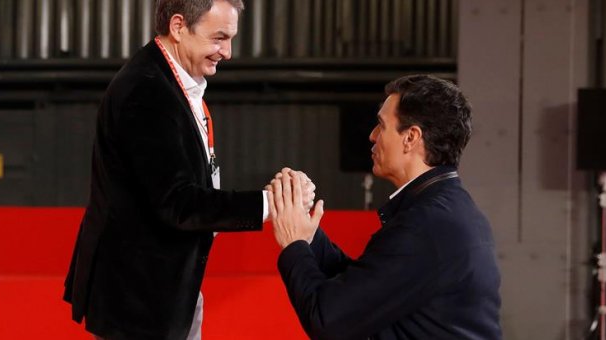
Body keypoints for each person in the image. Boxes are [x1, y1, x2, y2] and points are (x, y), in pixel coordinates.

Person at [63, 1, 314, 339]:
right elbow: (178, 203)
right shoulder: (147, 91)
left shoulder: (171, 81)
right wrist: (273, 203)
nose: (227, 52)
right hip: (139, 303)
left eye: (230, 39)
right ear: (179, 27)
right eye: (219, 38)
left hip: (165, 292)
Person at [267, 75, 502, 339]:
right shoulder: (448, 211)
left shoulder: (426, 225)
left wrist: (294, 244)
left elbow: (327, 319)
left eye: (381, 125)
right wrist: (308, 236)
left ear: (410, 137)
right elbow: (368, 288)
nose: (372, 136)